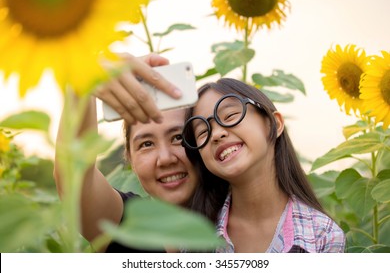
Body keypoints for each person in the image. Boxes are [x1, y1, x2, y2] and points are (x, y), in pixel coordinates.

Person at [53, 54, 224, 252]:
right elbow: (72, 177)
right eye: (146, 144)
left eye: (178, 138)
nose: (165, 159)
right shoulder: (126, 227)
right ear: (130, 158)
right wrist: (82, 82)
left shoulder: (239, 212)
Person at [181, 78, 346, 253]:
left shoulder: (323, 235)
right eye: (203, 132)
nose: (216, 134)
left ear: (274, 124)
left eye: (230, 116)